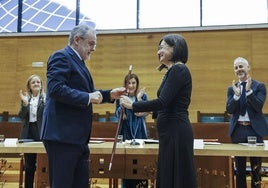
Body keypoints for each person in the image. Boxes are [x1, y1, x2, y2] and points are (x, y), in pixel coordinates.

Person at [40, 24, 126, 188]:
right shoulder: (61, 56)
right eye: (91, 43)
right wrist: (88, 96)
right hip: (62, 137)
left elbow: (86, 93)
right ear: (77, 40)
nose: (93, 48)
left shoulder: (79, 62)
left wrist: (109, 95)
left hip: (76, 138)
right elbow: (56, 89)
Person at [120, 34, 197, 188]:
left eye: (162, 47)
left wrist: (133, 105)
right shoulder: (172, 70)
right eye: (158, 48)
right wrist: (147, 112)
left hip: (175, 131)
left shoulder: (178, 69)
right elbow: (168, 104)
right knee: (170, 176)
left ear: (175, 48)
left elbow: (162, 102)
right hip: (170, 131)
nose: (158, 52)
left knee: (175, 178)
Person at [226, 57, 268, 188]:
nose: (239, 69)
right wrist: (237, 95)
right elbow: (229, 109)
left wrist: (249, 92)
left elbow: (258, 106)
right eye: (236, 67)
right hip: (238, 130)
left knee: (256, 169)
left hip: (254, 130)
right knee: (239, 169)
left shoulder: (259, 86)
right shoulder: (231, 89)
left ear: (248, 68)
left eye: (241, 66)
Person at [115, 73, 149, 188]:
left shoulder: (143, 96)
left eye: (133, 83)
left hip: (140, 132)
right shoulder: (121, 97)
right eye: (129, 83)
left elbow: (144, 113)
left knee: (141, 165)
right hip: (126, 133)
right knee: (127, 166)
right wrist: (121, 106)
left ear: (137, 84)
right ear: (125, 84)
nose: (131, 85)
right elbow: (117, 115)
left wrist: (138, 100)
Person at [18, 74, 46, 188]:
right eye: (33, 82)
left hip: (41, 132)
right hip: (28, 133)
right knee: (29, 165)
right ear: (29, 86)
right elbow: (21, 116)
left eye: (38, 82)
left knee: (44, 164)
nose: (36, 84)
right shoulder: (26, 99)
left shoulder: (46, 98)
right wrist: (25, 104)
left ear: (41, 84)